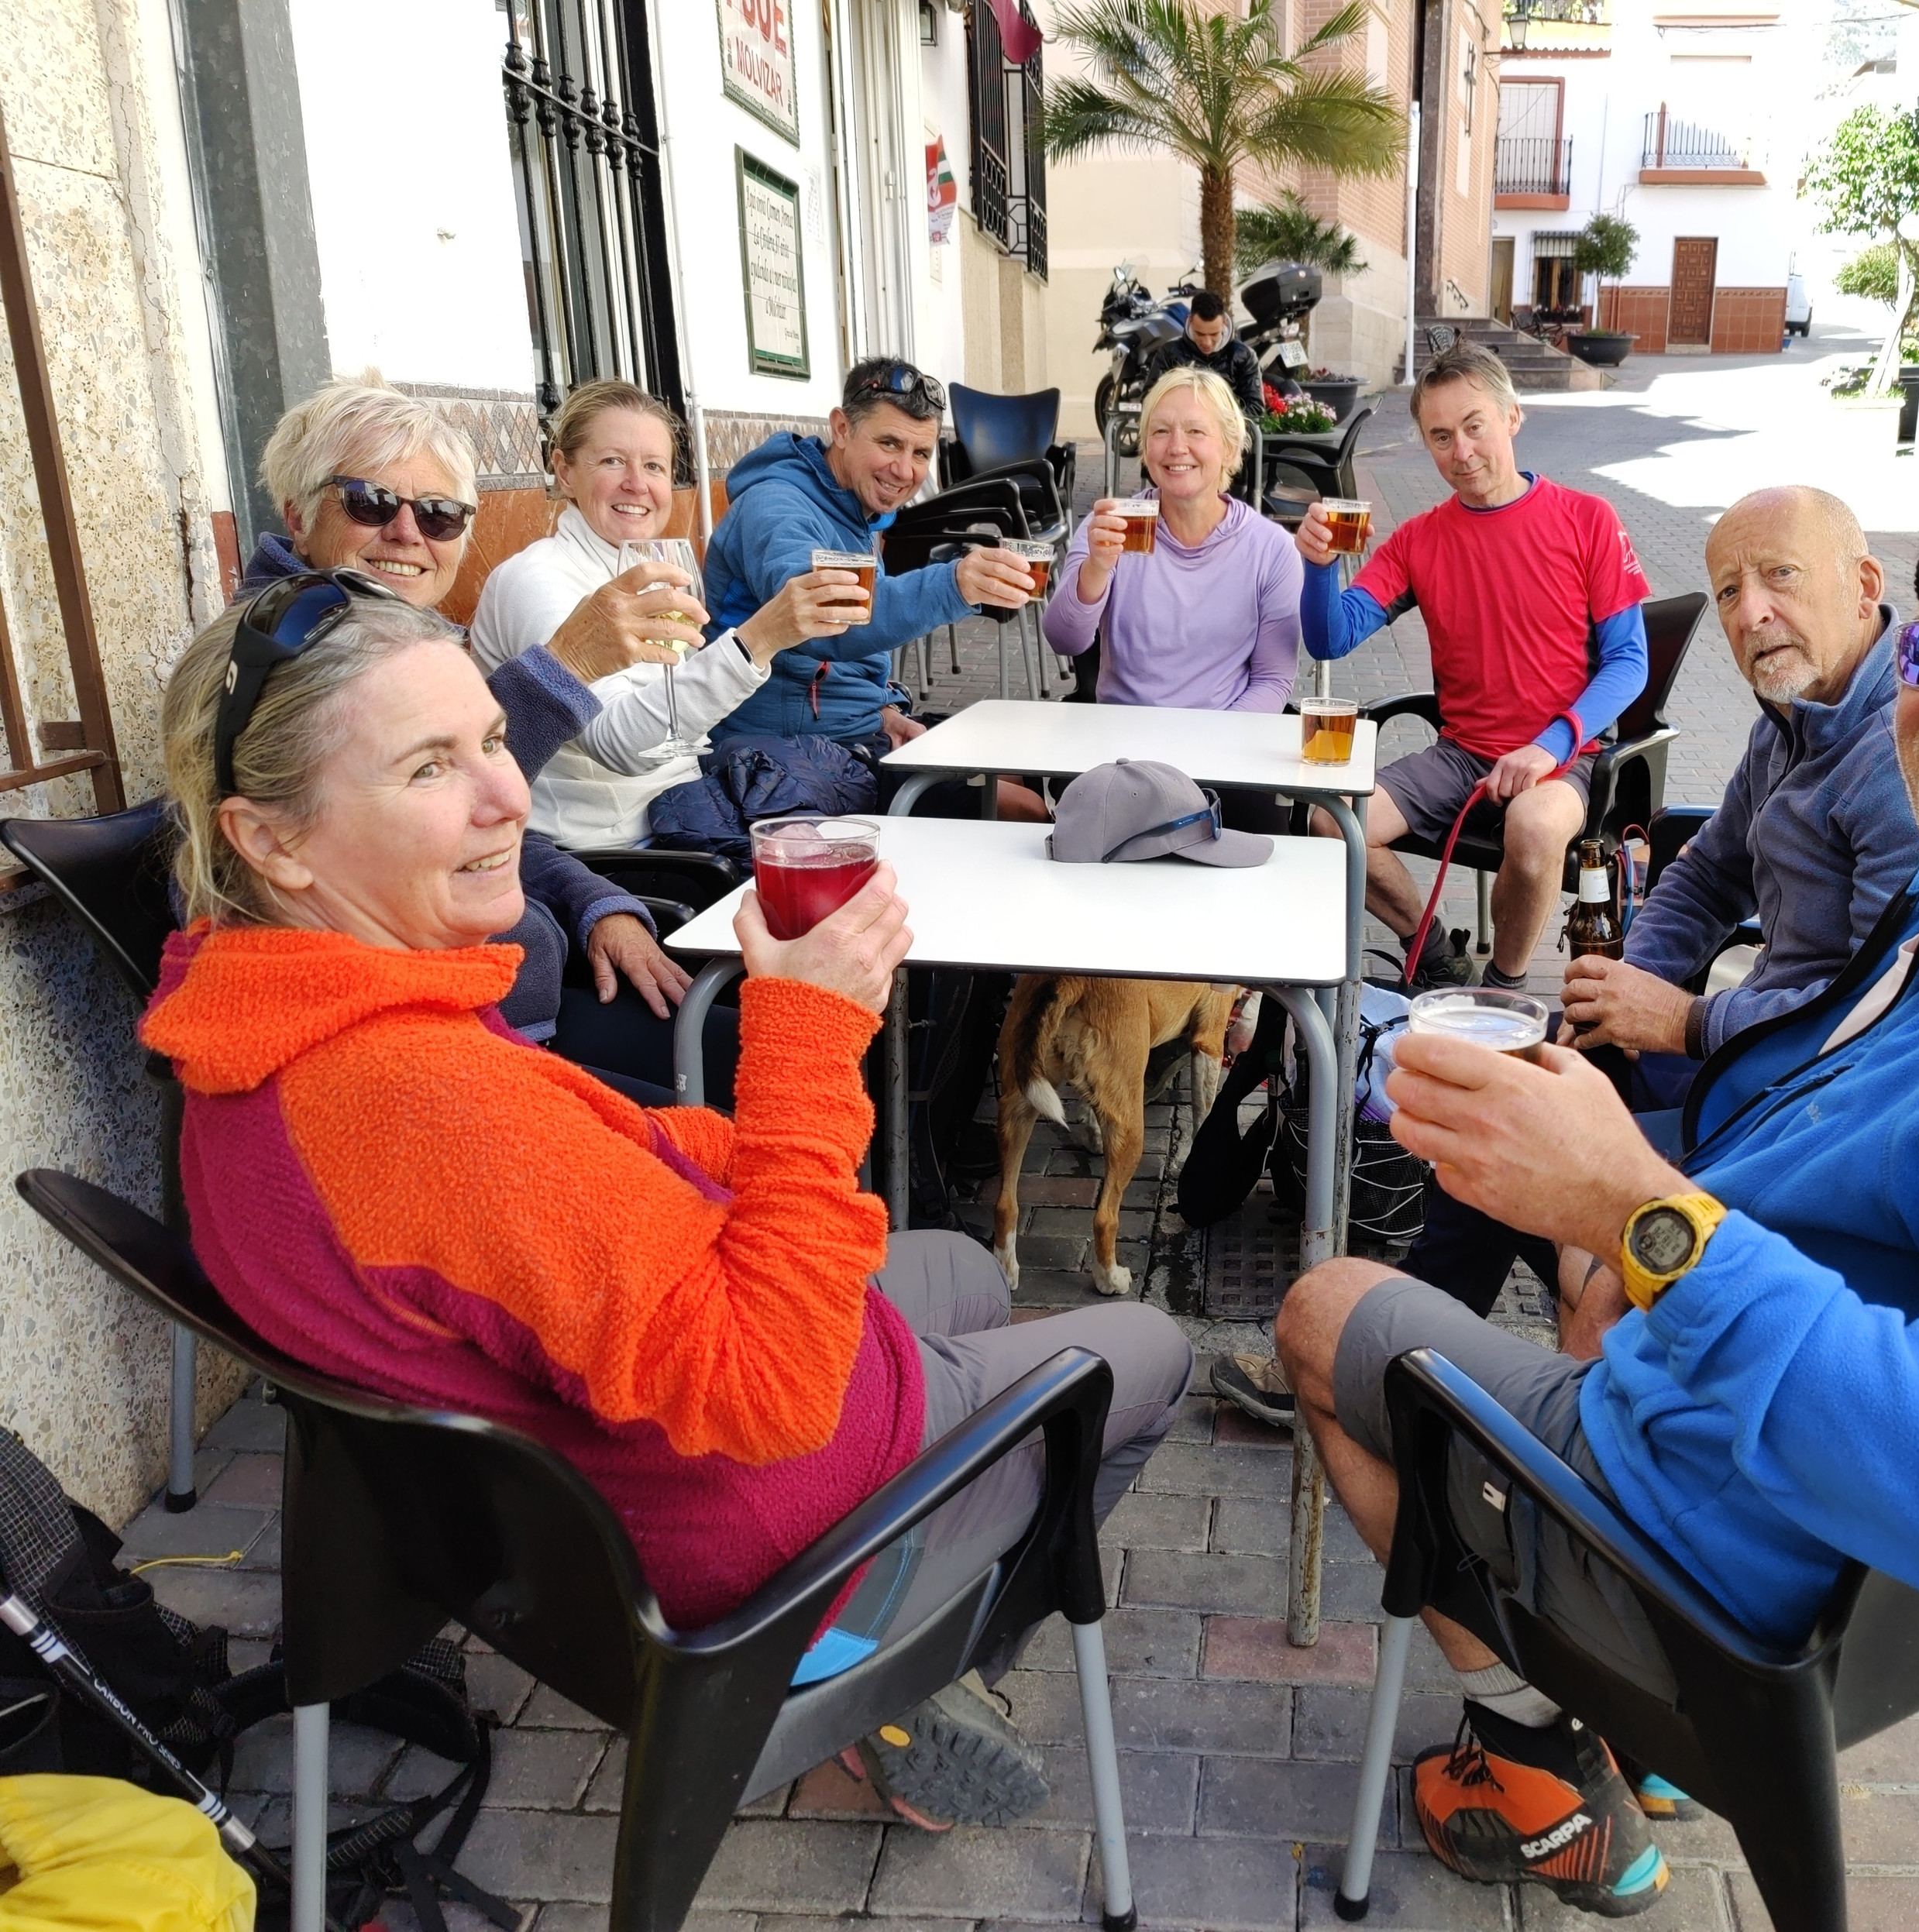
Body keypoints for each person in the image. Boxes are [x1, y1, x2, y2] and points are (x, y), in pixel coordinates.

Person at [1274, 448, 1919, 1915]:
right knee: (1537, 1238)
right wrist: (1631, 1218)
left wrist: (1640, 1214)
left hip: (1706, 1570)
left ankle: (1533, 1763)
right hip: (1771, 1480)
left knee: (1326, 1308)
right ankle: (1629, 1737)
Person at [141, 585, 1193, 1830]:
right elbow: (770, 1389)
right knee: (1150, 1349)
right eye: (431, 767)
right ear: (273, 841)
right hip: (734, 1511)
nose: (508, 796)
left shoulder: (261, 1023)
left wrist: (712, 1150)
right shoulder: (412, 1101)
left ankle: (896, 1629)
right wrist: (810, 1033)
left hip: (579, 1485)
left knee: (961, 1266)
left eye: (491, 738)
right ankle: (874, 1659)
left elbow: (572, 1164)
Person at [1376, 485, 1919, 1364]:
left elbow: (1867, 1023)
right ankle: (1406, 1355)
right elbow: (1708, 873)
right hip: (1748, 1055)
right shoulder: (1790, 721)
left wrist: (1679, 1018)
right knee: (1507, 1090)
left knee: (1521, 1140)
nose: (1752, 613)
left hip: (1805, 1111)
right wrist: (1615, 989)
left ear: (1863, 583)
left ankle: (1527, 1403)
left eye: (1780, 577)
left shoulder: (1899, 756)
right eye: (1728, 592)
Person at [237, 374, 692, 1050]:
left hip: (511, 997)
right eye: (369, 502)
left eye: (439, 515)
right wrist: (567, 663)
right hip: (416, 1033)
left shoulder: (391, 634)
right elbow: (425, 820)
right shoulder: (283, 653)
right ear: (299, 517)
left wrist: (593, 904)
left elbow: (480, 821)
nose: (405, 533)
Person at [1298, 342, 1649, 992]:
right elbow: (1330, 638)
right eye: (1439, 436)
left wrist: (1548, 748)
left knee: (1535, 823)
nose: (1459, 452)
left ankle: (1501, 988)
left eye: (1473, 426)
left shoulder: (1587, 520)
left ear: (1512, 417)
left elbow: (1630, 662)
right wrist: (1318, 567)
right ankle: (1431, 953)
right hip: (1460, 757)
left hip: (1566, 758)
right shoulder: (1417, 540)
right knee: (1331, 823)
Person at [470, 380, 874, 847]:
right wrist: (759, 638)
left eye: (654, 466)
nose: (637, 484)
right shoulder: (535, 580)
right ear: (564, 471)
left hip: (690, 811)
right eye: (612, 461)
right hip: (613, 850)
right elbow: (619, 744)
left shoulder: (647, 569)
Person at [704, 357, 1044, 820]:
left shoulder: (853, 508)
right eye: (889, 443)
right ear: (842, 429)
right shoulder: (776, 507)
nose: (904, 471)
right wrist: (955, 584)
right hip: (779, 758)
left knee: (1017, 765)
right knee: (1021, 811)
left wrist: (883, 712)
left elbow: (842, 661)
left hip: (848, 731)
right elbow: (827, 623)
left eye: (920, 453)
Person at [1041, 366, 1302, 833]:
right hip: (1122, 753)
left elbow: (1272, 681)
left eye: (1196, 432)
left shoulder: (1270, 548)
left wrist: (1201, 747)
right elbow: (1063, 638)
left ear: (1229, 446)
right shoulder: (1110, 527)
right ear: (1145, 447)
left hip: (1226, 753)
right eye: (1160, 431)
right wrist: (1097, 567)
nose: (1176, 446)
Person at [1143, 290, 1266, 422]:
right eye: (1200, 334)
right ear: (1189, 321)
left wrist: (1217, 425)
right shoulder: (1169, 353)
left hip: (1228, 437)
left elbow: (1255, 409)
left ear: (1224, 322)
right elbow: (1149, 400)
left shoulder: (1244, 356)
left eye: (1214, 334)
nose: (1207, 342)